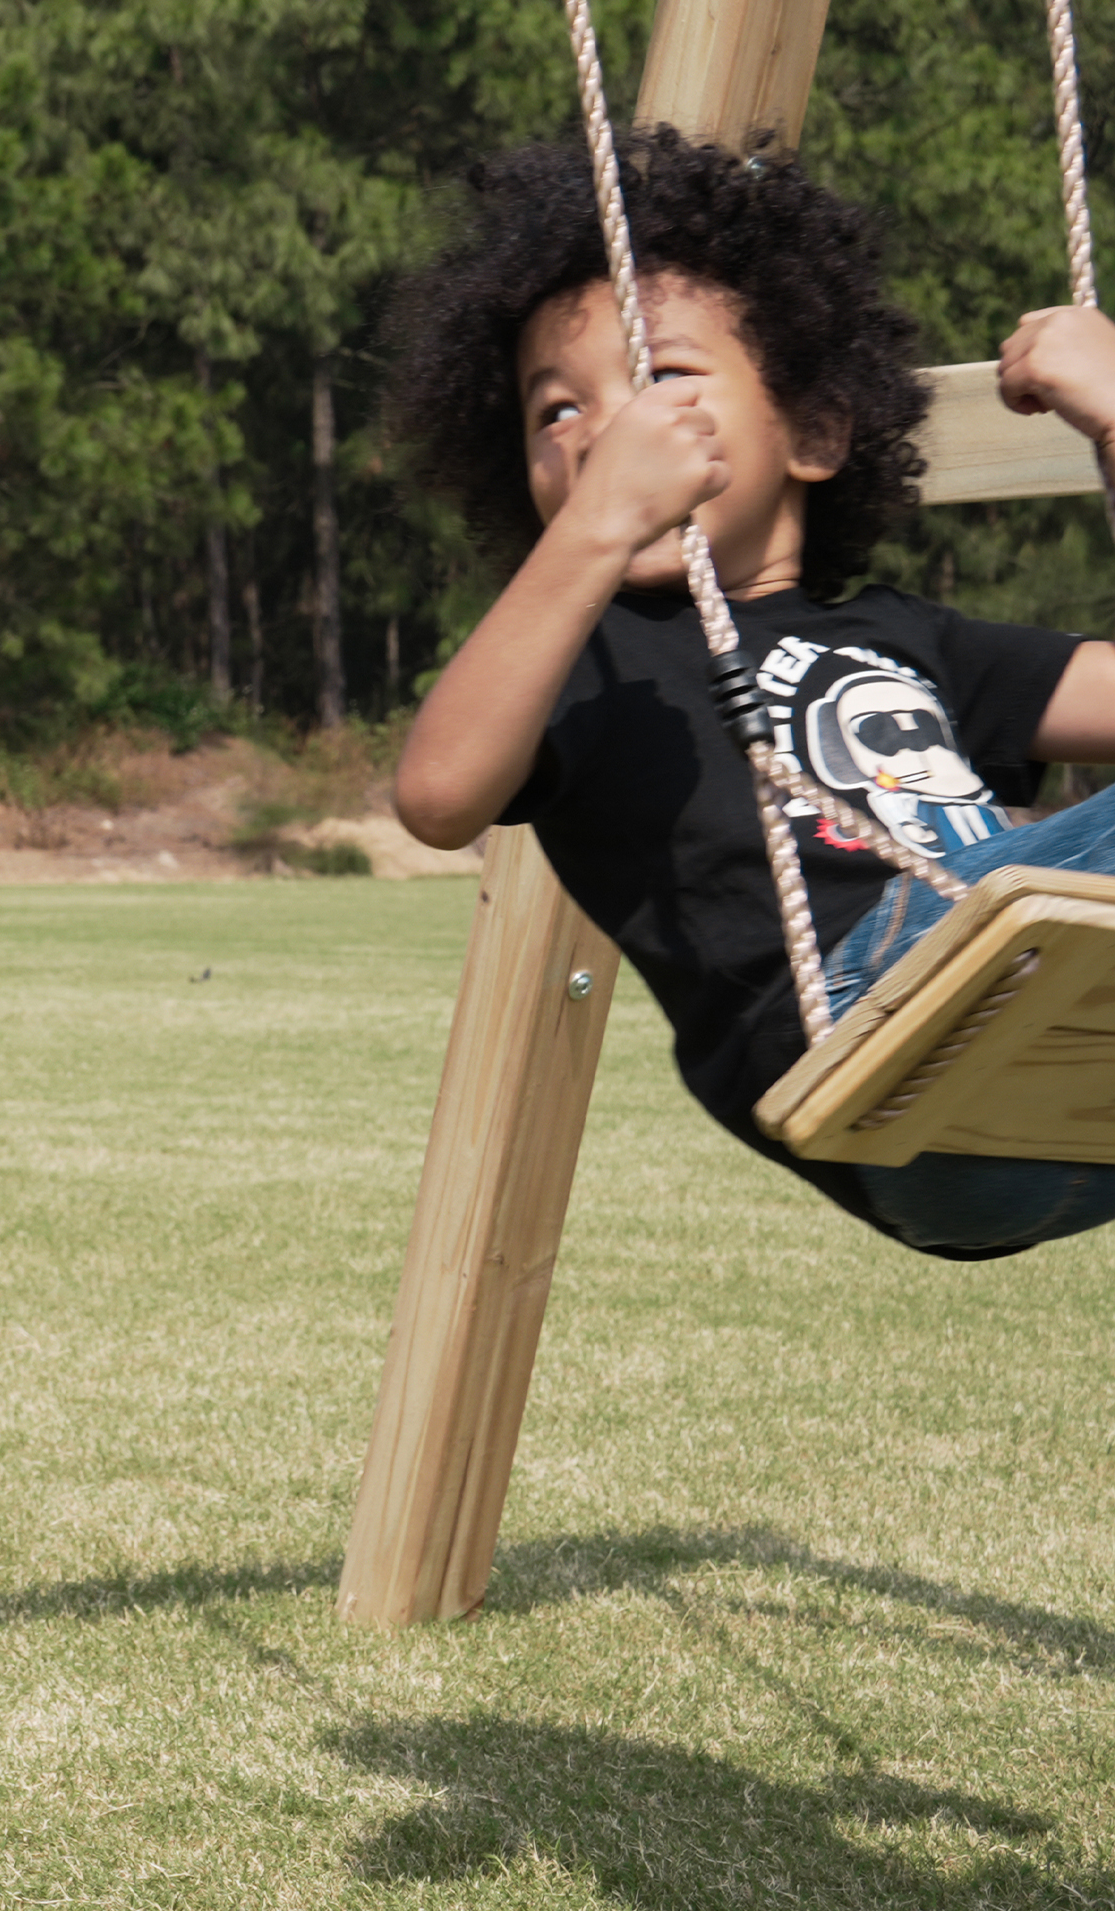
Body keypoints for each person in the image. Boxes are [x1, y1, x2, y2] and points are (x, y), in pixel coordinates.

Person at [388, 128, 1115, 1255]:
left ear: (814, 433)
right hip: (889, 1052)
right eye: (556, 411)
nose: (611, 428)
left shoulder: (905, 635)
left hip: (1069, 1089)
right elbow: (438, 795)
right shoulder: (585, 652)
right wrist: (592, 532)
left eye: (663, 377)